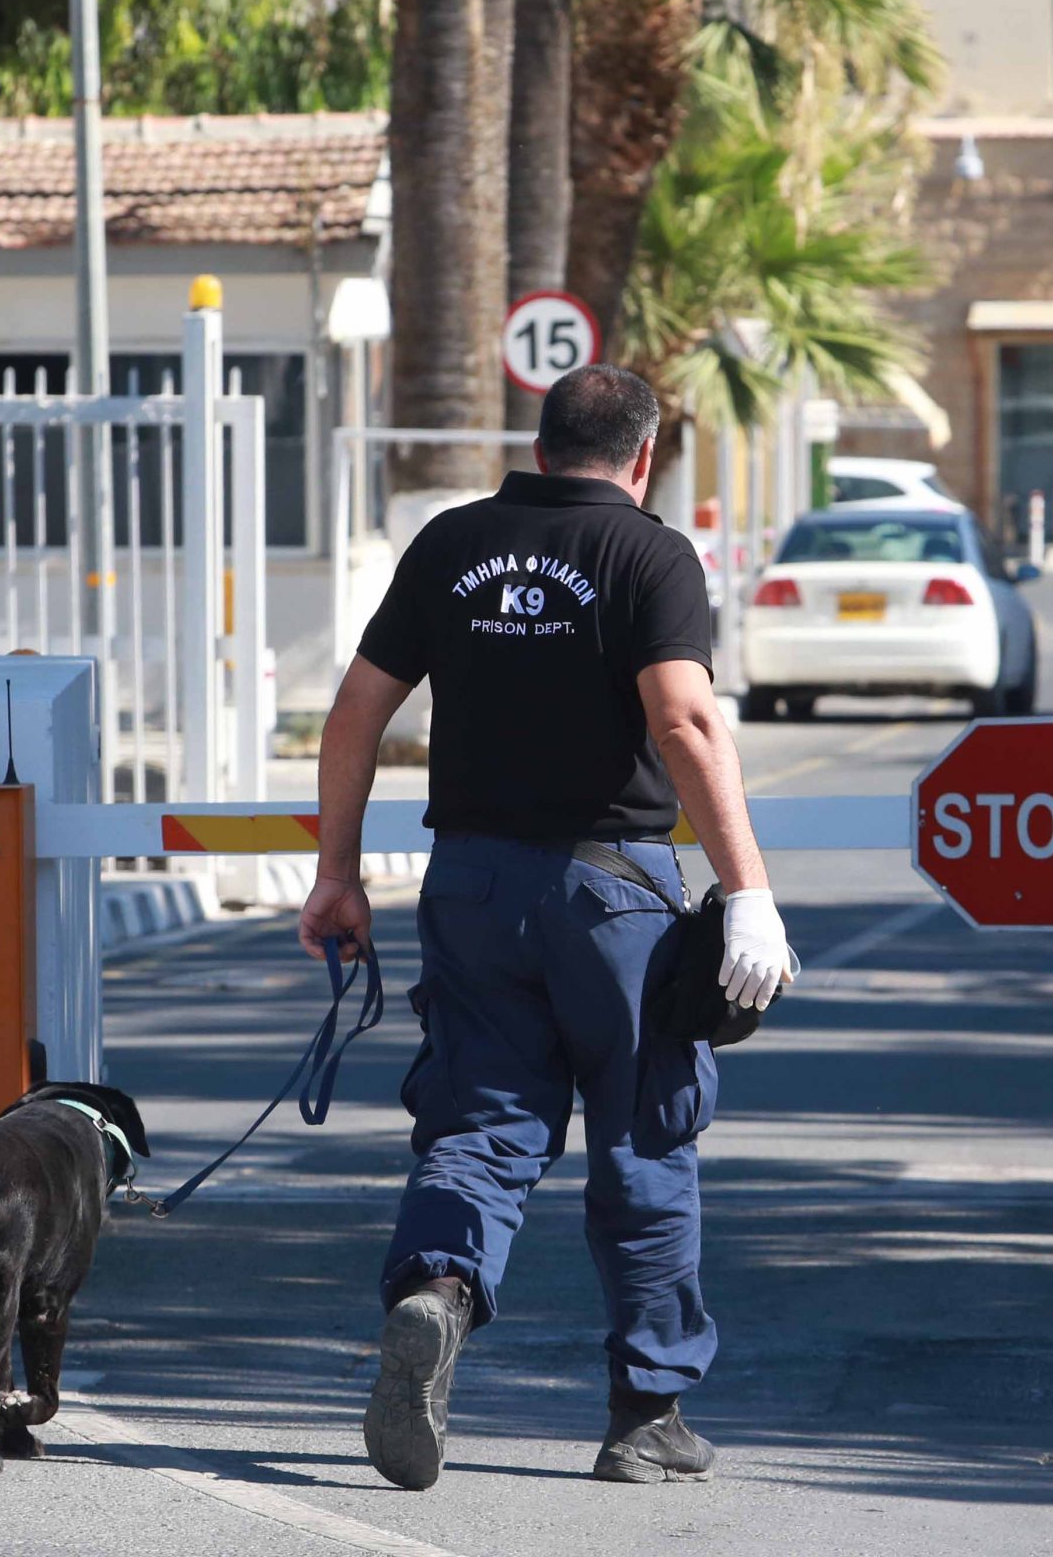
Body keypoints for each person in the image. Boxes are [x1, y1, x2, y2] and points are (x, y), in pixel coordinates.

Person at [298, 364, 792, 1490]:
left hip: (470, 885)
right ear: (642, 458)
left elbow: (354, 714)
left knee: (479, 1124)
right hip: (610, 891)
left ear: (542, 441)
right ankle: (645, 1416)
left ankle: (436, 1294)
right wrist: (748, 890)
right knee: (643, 1138)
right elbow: (683, 719)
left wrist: (335, 874)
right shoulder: (651, 555)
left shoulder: (451, 544)